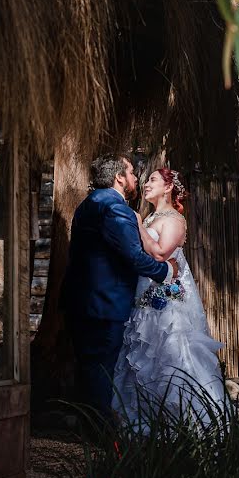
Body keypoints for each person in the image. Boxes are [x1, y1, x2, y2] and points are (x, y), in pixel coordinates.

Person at [112, 168, 229, 430]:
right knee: (144, 357)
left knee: (173, 356)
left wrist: (138, 226)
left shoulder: (174, 219)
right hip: (145, 300)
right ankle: (149, 425)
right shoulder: (151, 216)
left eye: (152, 179)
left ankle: (191, 422)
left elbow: (160, 255)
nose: (145, 184)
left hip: (168, 305)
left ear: (168, 187)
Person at [63, 154, 178, 417]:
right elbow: (135, 256)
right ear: (119, 178)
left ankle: (87, 426)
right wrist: (166, 270)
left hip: (83, 301)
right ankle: (101, 435)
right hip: (104, 304)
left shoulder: (88, 204)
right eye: (131, 172)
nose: (136, 178)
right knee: (102, 370)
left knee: (89, 368)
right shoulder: (114, 208)